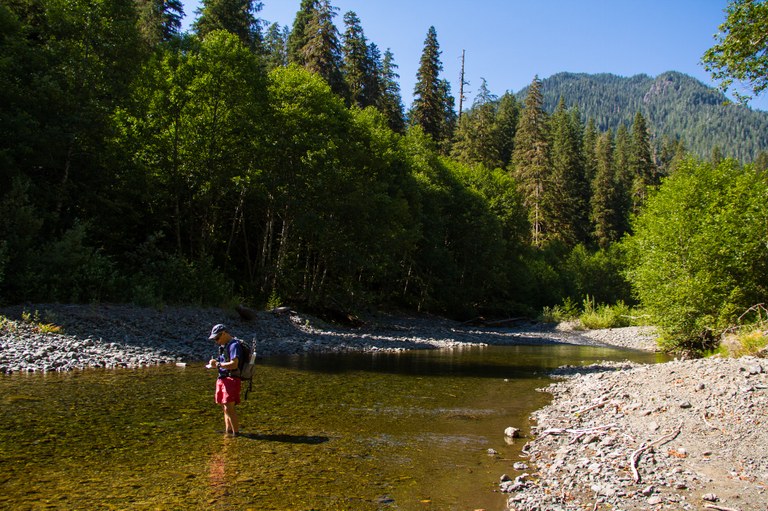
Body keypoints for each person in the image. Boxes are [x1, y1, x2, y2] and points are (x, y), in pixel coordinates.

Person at [207, 324, 242, 436]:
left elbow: (234, 364)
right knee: (225, 408)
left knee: (229, 408)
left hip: (231, 379)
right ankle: (228, 432)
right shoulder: (224, 346)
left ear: (224, 333)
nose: (216, 341)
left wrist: (217, 364)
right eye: (215, 339)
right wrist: (216, 364)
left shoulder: (234, 345)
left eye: (217, 338)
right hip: (223, 379)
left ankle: (236, 434)